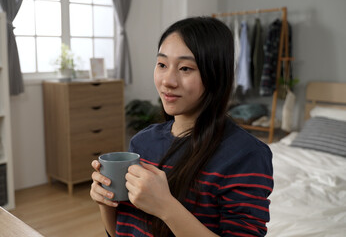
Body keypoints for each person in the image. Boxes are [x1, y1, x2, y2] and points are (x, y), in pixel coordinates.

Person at [90, 16, 273, 237]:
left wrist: (166, 207)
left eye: (185, 68)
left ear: (216, 74)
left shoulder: (246, 155)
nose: (168, 80)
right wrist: (105, 202)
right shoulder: (141, 142)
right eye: (162, 65)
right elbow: (121, 232)